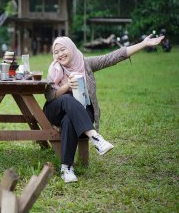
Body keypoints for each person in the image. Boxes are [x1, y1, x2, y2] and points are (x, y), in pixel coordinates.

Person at [43, 34, 164, 183]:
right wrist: (67, 86)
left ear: (71, 49)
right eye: (56, 52)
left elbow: (113, 57)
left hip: (79, 112)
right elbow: (49, 96)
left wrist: (143, 44)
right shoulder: (55, 69)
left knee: (69, 119)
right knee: (67, 98)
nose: (60, 54)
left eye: (63, 49)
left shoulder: (86, 64)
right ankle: (95, 138)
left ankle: (66, 168)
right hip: (55, 109)